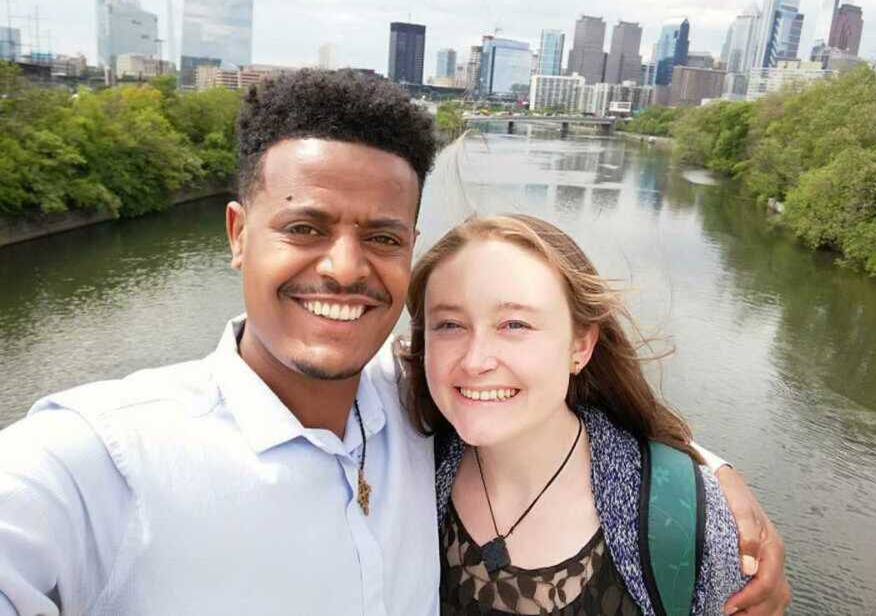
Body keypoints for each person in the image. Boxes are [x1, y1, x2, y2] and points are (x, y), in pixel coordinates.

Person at [0, 70, 788, 615]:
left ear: (409, 245)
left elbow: (535, 386)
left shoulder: (418, 406)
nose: (343, 268)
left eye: (380, 235)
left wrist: (711, 478)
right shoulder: (99, 459)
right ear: (239, 234)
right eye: (304, 227)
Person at [400, 213, 770, 615]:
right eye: (450, 324)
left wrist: (705, 471)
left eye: (514, 324)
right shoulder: (402, 463)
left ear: (580, 345)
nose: (475, 361)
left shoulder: (684, 519)